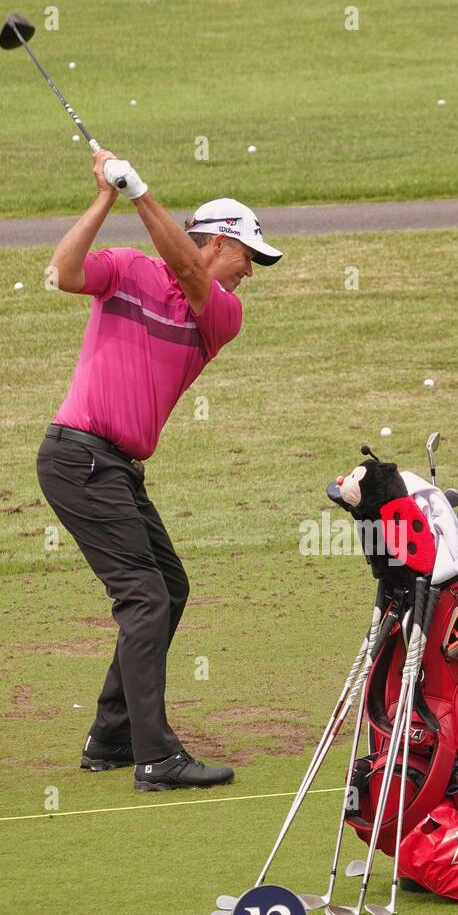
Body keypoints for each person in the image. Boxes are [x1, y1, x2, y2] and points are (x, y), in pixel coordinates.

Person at [37, 150, 282, 792]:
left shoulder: (220, 312)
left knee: (168, 588)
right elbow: (62, 273)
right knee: (144, 598)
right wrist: (106, 200)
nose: (250, 273)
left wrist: (141, 192)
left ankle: (112, 735)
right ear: (220, 242)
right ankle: (155, 756)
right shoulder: (126, 270)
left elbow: (186, 271)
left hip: (111, 465)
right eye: (248, 257)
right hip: (78, 455)